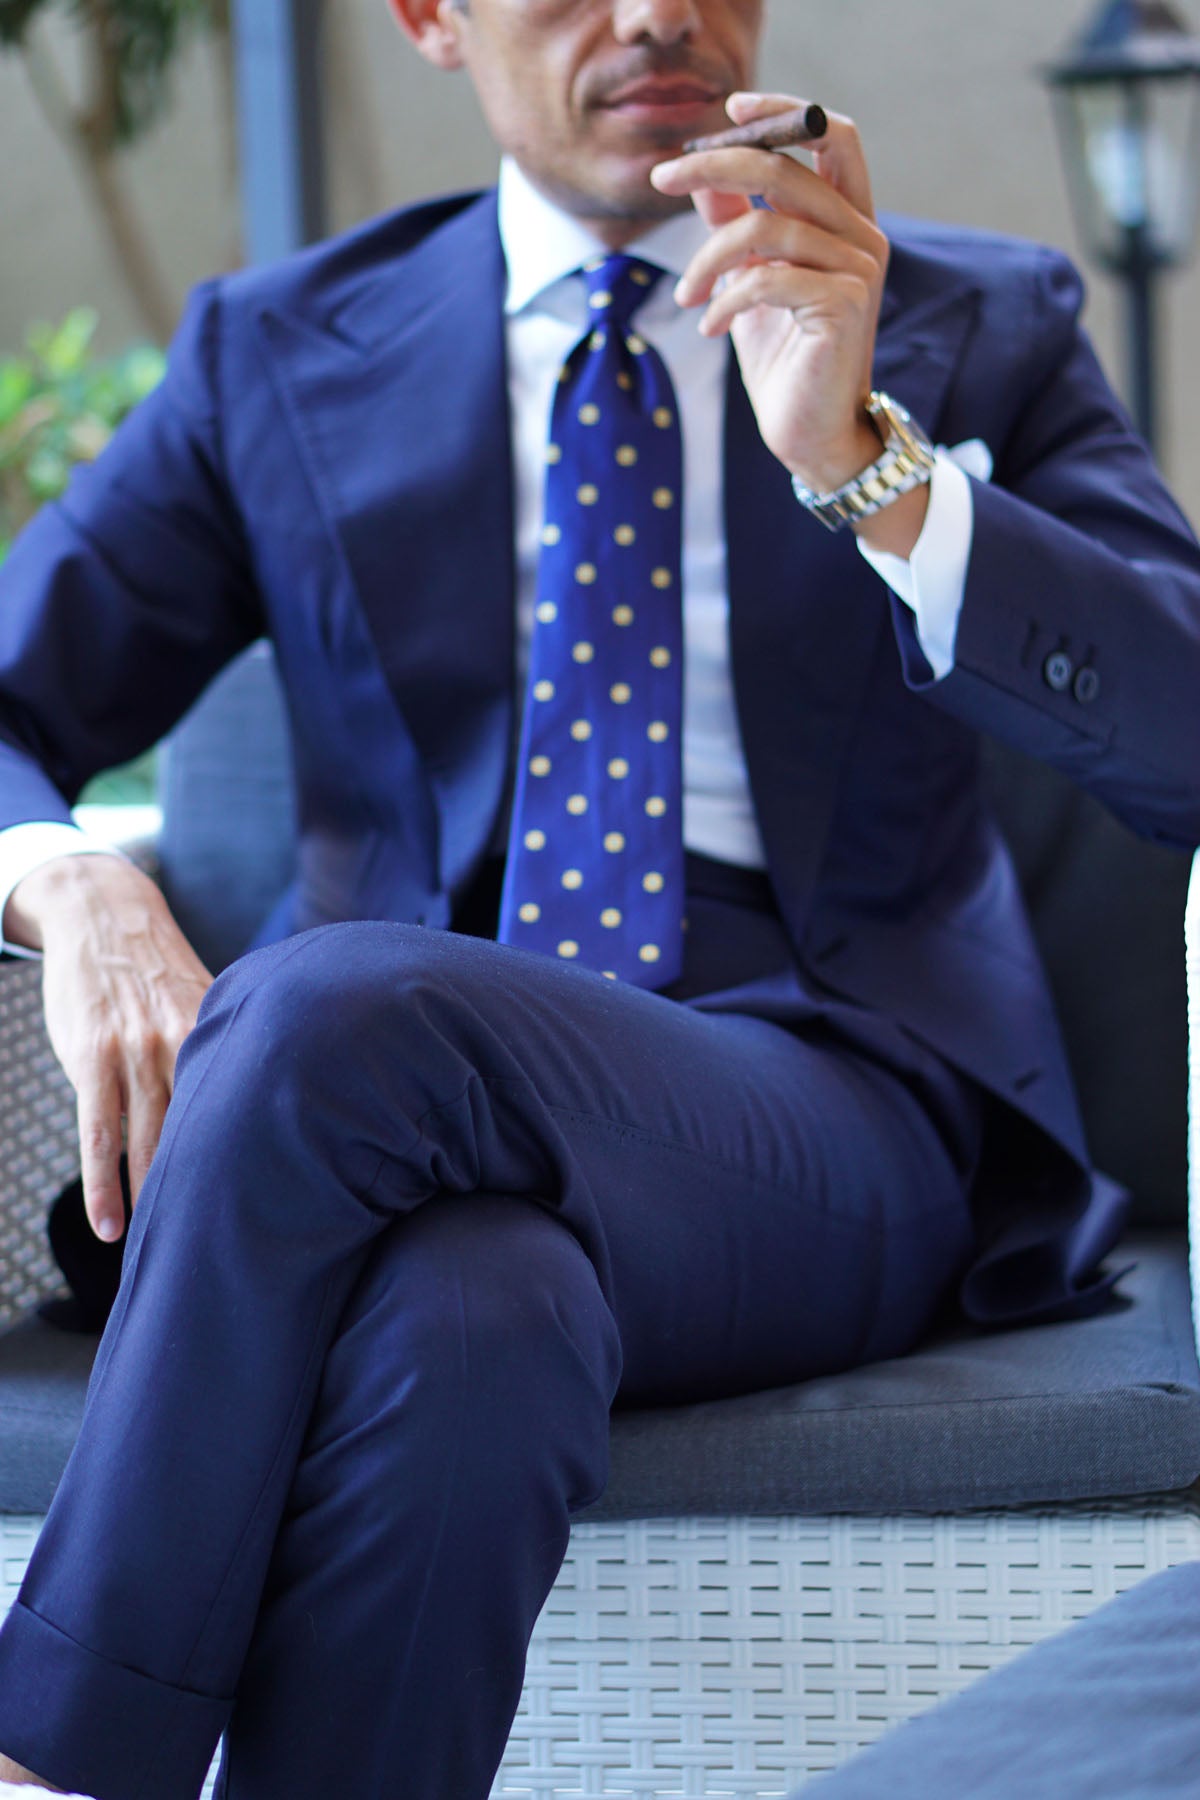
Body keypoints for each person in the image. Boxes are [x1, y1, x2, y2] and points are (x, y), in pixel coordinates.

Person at [0, 0, 1197, 1794]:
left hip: (827, 1101)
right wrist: (72, 877)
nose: (654, 12)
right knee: (476, 1322)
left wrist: (862, 465)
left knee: (326, 1006)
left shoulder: (975, 318)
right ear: (432, 15)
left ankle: (58, 1760)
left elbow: (1184, 734)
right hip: (392, 1146)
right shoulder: (281, 348)